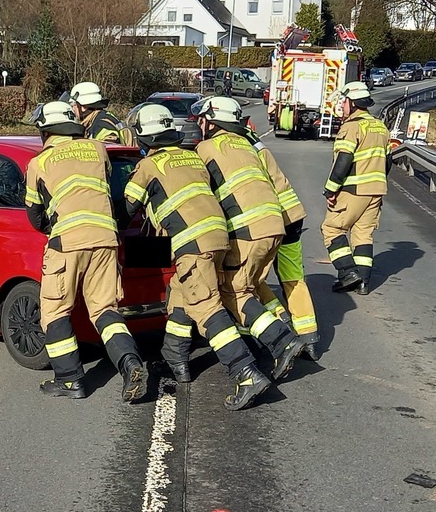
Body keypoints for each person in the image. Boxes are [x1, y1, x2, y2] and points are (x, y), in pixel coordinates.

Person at [123, 103, 272, 410]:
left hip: (190, 244)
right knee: (182, 291)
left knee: (206, 309)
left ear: (144, 138)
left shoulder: (149, 167)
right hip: (218, 238)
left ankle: (245, 372)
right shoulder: (191, 157)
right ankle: (176, 358)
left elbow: (126, 209)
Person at [24, 100, 147, 402]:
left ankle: (70, 380)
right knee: (106, 310)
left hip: (67, 243)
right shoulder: (98, 149)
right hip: (107, 238)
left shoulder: (40, 163)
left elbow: (35, 215)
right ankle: (131, 364)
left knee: (54, 311)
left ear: (46, 131)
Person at [193, 95, 304, 380]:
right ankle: (266, 341)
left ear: (211, 122)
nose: (199, 125)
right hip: (273, 226)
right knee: (251, 287)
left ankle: (283, 341)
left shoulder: (205, 149)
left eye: (202, 119)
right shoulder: (246, 145)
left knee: (233, 292)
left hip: (247, 231)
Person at [243, 118, 320, 361]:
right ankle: (309, 339)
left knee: (251, 277)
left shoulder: (231, 147)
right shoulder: (253, 142)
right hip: (292, 214)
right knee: (293, 278)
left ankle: (277, 322)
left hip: (266, 220)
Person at [321, 80, 390, 295]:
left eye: (344, 102)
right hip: (376, 190)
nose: (342, 106)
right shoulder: (380, 126)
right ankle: (363, 283)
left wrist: (331, 190)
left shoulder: (352, 127)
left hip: (353, 190)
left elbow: (343, 159)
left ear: (352, 102)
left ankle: (348, 273)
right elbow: (388, 161)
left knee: (332, 229)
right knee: (363, 234)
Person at [67, 81, 134, 145]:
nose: (72, 109)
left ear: (84, 107)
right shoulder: (100, 118)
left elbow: (111, 145)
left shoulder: (100, 123)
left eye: (73, 105)